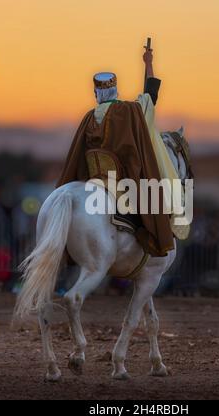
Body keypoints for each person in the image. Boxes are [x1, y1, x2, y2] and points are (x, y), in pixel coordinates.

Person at [56, 46, 179, 257]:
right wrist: (148, 62)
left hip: (93, 179)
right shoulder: (128, 111)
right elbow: (150, 96)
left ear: (96, 93)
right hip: (123, 181)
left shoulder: (89, 117)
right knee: (153, 199)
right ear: (115, 90)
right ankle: (150, 236)